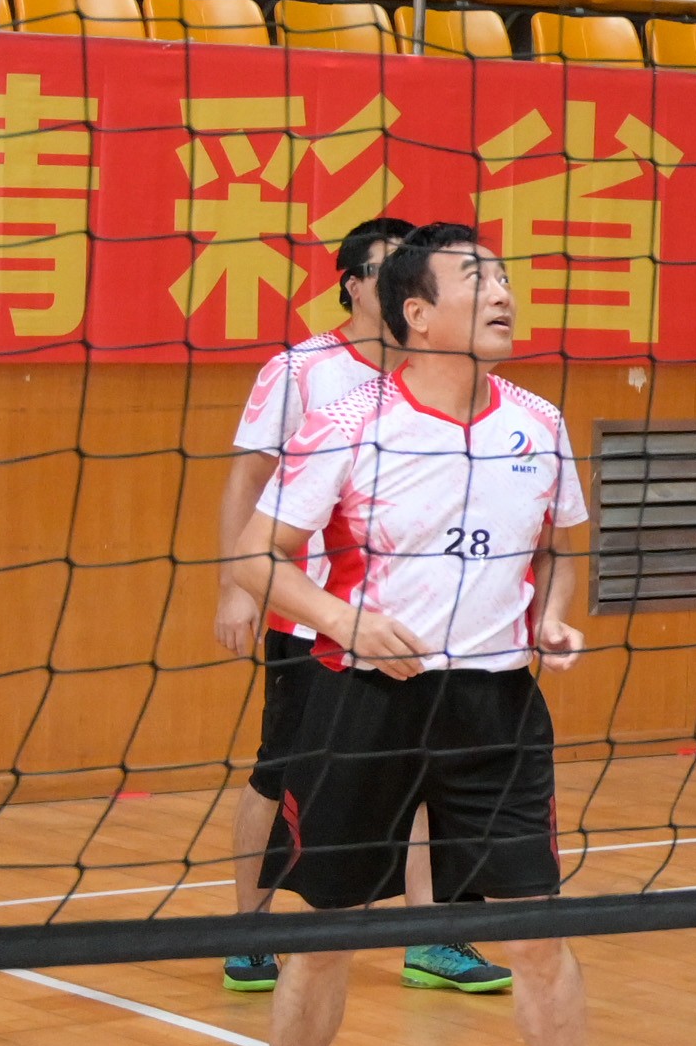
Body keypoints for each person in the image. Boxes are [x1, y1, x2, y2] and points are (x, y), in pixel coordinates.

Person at [205, 231, 626, 1046]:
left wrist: (554, 614)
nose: (505, 293)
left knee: (540, 931)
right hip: (365, 703)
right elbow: (255, 559)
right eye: (477, 279)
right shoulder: (351, 424)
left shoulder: (540, 421)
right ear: (415, 315)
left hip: (496, 708)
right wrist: (341, 618)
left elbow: (564, 549)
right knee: (325, 933)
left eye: (507, 277)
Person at [207, 216, 511, 1003]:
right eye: (386, 269)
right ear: (354, 283)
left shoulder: (444, 376)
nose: (400, 280)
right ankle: (250, 931)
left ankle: (432, 934)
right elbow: (248, 481)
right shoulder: (302, 370)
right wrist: (236, 584)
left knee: (428, 774)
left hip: (417, 623)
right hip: (312, 619)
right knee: (281, 776)